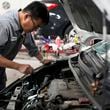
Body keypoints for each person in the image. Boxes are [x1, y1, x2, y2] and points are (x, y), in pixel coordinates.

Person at [0, 1, 49, 90]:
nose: (35, 30)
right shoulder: (4, 25)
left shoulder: (23, 23)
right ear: (26, 16)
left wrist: (43, 59)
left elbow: (31, 45)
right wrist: (18, 66)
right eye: (35, 26)